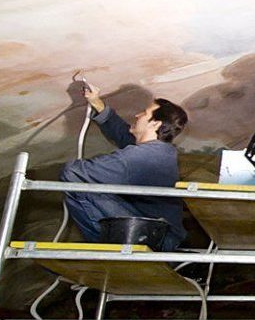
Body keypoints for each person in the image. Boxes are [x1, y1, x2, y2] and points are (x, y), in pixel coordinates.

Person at [59, 74, 189, 250]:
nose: (137, 115)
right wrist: (97, 102)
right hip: (158, 236)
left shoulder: (142, 156)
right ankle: (103, 248)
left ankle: (103, 249)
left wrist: (70, 166)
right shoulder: (159, 152)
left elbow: (73, 173)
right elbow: (122, 134)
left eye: (144, 113)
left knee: (78, 184)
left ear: (155, 124)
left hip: (153, 239)